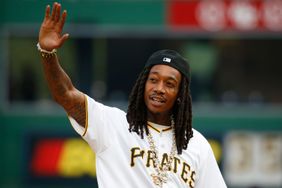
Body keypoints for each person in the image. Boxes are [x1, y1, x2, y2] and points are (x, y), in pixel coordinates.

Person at [37, 2, 227, 188]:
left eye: (169, 84)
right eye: (153, 80)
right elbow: (66, 95)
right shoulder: (113, 124)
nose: (159, 88)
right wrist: (48, 53)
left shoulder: (197, 144)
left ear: (180, 95)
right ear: (143, 84)